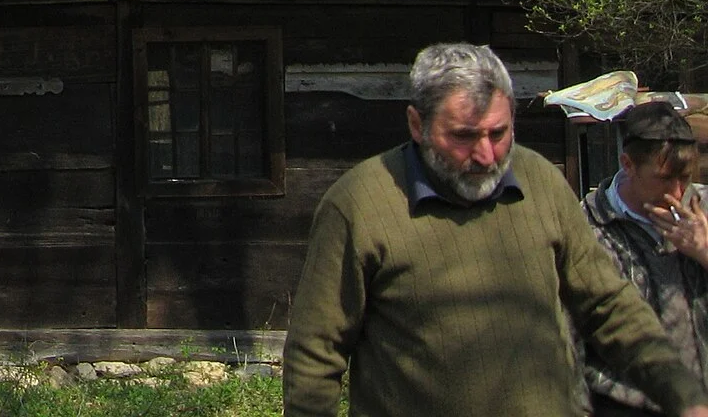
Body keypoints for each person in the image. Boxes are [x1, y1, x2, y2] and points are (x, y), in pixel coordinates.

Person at [283, 43, 708, 417]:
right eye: (464, 137)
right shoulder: (360, 205)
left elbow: (608, 304)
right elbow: (316, 356)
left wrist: (682, 393)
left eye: (499, 133)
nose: (486, 155)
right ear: (417, 125)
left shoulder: (540, 183)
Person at [584, 102, 708, 416]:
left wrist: (705, 253)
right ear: (628, 164)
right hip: (629, 404)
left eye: (686, 177)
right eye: (666, 178)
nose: (679, 191)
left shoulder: (703, 208)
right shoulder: (588, 228)